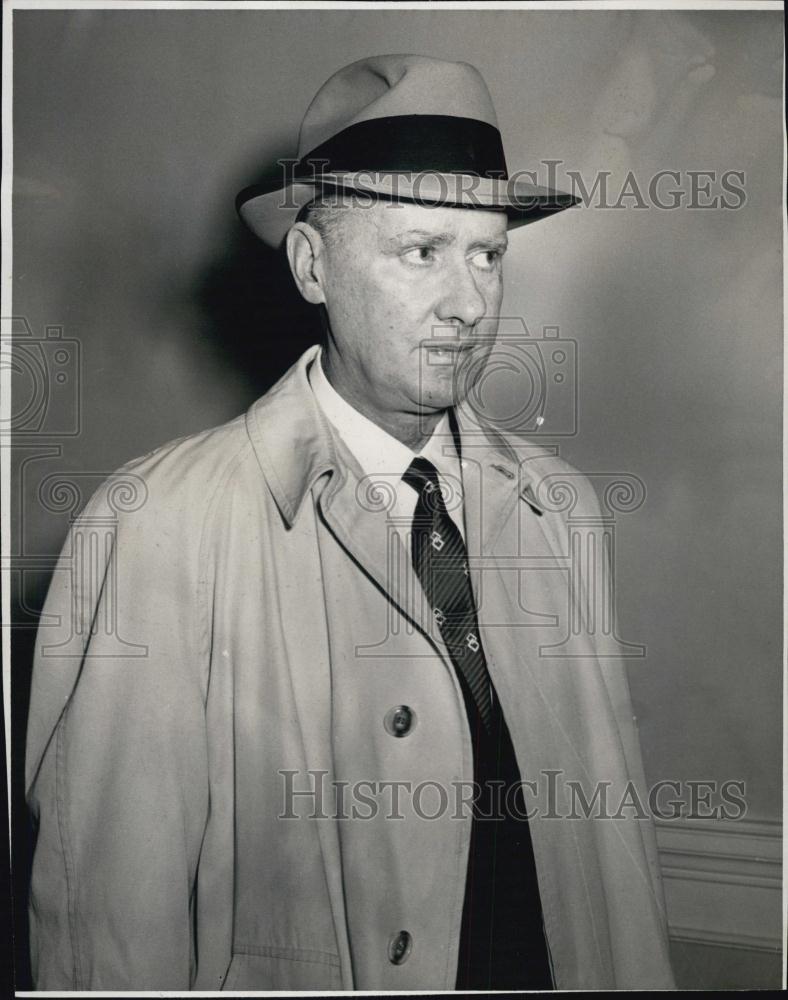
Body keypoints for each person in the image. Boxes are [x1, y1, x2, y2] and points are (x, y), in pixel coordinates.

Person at [25, 55, 675, 990]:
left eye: (487, 253)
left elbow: (614, 869)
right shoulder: (161, 526)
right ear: (311, 265)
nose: (470, 302)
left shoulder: (560, 511)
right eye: (422, 251)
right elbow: (110, 936)